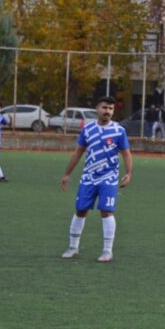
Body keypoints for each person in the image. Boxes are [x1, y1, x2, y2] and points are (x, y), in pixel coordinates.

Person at [59, 97, 133, 262]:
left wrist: (129, 173)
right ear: (97, 109)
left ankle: (107, 251)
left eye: (111, 109)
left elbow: (126, 153)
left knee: (106, 211)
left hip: (109, 178)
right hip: (88, 177)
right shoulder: (87, 129)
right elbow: (78, 152)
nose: (108, 111)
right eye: (105, 107)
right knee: (80, 210)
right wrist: (67, 174)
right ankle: (73, 247)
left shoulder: (119, 130)